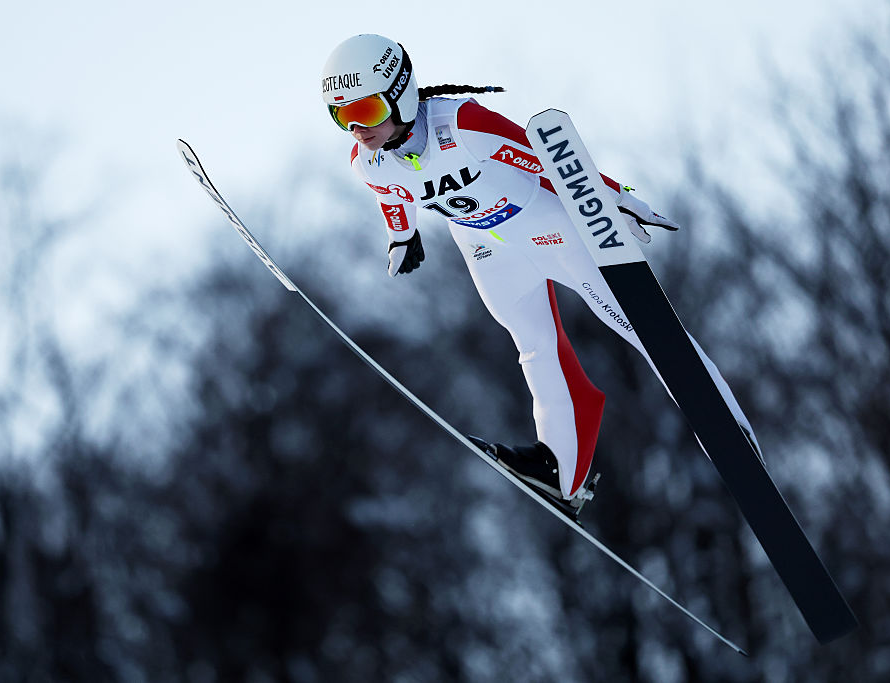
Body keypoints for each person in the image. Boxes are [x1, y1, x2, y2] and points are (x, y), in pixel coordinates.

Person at [322, 34, 762, 506]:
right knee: (533, 346)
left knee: (638, 324)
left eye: (365, 111)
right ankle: (562, 469)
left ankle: (726, 427)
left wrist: (616, 198)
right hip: (487, 248)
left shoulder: (465, 125)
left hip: (550, 228)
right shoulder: (367, 162)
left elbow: (548, 161)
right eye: (340, 115)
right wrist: (402, 236)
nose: (356, 128)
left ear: (400, 92)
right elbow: (390, 193)